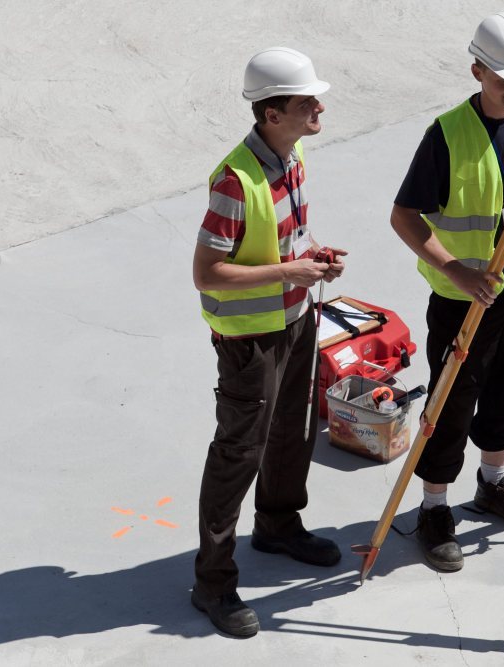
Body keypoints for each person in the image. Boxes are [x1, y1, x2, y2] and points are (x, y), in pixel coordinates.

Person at [191, 46, 347, 638]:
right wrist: (287, 273)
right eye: (308, 102)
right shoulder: (235, 181)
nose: (319, 109)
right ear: (271, 114)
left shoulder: (292, 153)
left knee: (293, 429)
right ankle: (212, 581)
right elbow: (208, 274)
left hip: (296, 317)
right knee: (239, 452)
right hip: (249, 338)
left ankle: (280, 524)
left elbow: (287, 242)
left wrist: (312, 259)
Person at [390, 13, 504, 572]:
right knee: (450, 401)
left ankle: (492, 481)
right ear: (477, 69)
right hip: (464, 297)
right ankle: (435, 507)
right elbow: (405, 216)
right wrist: (455, 270)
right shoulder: (447, 134)